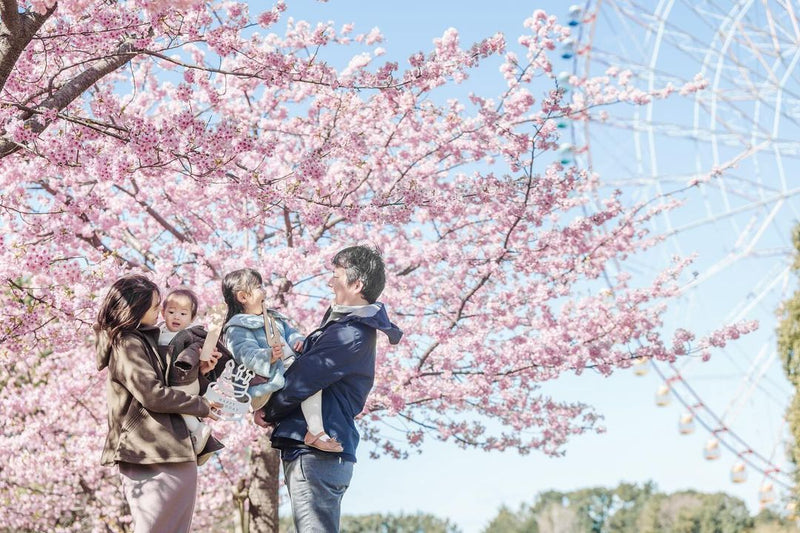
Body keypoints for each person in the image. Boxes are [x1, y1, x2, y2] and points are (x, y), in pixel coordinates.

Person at [261, 245, 403, 532]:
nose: (329, 282)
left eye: (335, 275)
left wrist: (268, 411)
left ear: (356, 284)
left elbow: (303, 379)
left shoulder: (349, 333)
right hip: (321, 450)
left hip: (317, 452)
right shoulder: (346, 327)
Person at [95, 275, 220, 533]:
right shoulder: (127, 343)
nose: (159, 312)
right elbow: (152, 394)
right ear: (136, 308)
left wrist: (202, 372)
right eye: (155, 306)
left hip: (170, 448)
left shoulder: (145, 340)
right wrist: (200, 405)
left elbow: (171, 382)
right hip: (151, 452)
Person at [221, 268, 343, 452]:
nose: (264, 291)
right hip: (269, 377)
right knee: (311, 378)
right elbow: (244, 354)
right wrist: (268, 356)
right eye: (258, 287)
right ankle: (316, 432)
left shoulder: (272, 318)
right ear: (243, 297)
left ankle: (316, 430)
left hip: (289, 366)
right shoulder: (237, 327)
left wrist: (298, 341)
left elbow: (290, 333)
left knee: (314, 379)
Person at [156, 287, 211, 455]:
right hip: (171, 380)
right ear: (163, 312)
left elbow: (197, 349)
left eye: (183, 314)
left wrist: (191, 360)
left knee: (174, 397)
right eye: (171, 311)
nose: (176, 317)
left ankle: (197, 429)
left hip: (185, 380)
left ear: (192, 318)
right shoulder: (157, 332)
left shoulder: (190, 335)